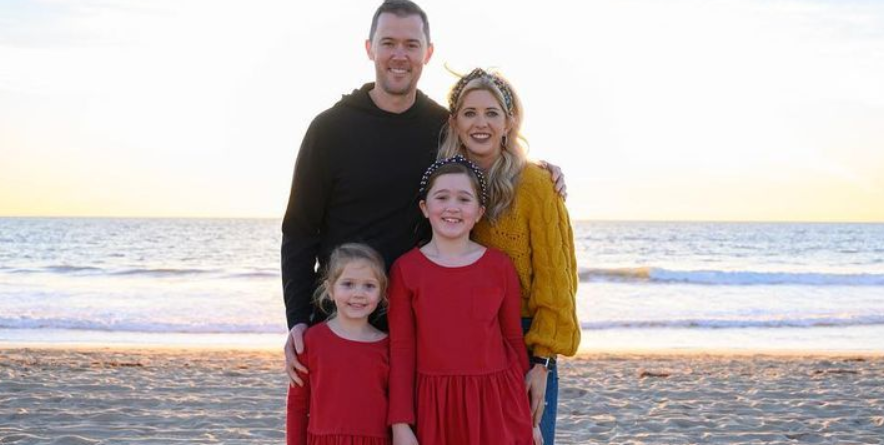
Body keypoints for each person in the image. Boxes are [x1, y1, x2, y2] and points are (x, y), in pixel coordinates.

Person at [282, 0, 565, 386]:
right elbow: (299, 230)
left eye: (412, 45)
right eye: (388, 43)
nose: (400, 55)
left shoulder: (441, 129)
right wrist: (297, 318)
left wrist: (543, 170)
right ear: (370, 48)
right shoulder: (329, 129)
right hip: (344, 316)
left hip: (422, 322)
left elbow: (488, 157)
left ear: (427, 53)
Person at [437, 68, 580, 445]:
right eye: (469, 113)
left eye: (491, 113)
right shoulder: (447, 185)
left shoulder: (535, 184)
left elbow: (557, 281)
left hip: (524, 340)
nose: (480, 123)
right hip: (462, 340)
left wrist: (542, 363)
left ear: (509, 121)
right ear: (455, 122)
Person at [388, 157, 537, 445]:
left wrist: (529, 420)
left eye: (464, 199)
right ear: (424, 208)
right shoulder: (406, 270)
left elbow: (513, 339)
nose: (452, 207)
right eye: (441, 197)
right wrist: (400, 423)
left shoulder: (499, 266)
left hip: (497, 400)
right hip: (435, 404)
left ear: (479, 212)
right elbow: (401, 349)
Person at [286, 243, 392, 445]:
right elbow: (297, 405)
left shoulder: (388, 346)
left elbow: (397, 406)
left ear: (382, 293)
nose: (358, 293)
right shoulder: (311, 341)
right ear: (330, 290)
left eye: (369, 286)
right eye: (348, 284)